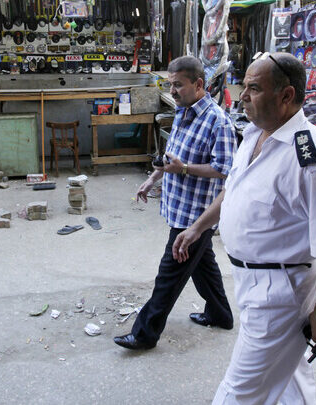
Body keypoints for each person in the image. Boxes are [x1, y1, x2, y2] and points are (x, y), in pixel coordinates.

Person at [172, 53, 316, 404]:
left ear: (286, 96)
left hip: (280, 294)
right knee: (289, 378)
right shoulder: (254, 133)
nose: (242, 96)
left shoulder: (313, 158)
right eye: (244, 86)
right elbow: (234, 188)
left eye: (254, 89)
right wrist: (198, 227)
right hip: (251, 281)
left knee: (239, 392)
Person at [113, 56, 238, 350]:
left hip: (196, 216)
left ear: (198, 84)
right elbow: (172, 156)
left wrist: (185, 169)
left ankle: (144, 334)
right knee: (203, 265)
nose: (173, 91)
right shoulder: (183, 111)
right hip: (179, 205)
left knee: (168, 276)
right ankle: (221, 315)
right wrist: (152, 179)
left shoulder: (218, 122)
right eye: (171, 84)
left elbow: (225, 170)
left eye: (178, 85)